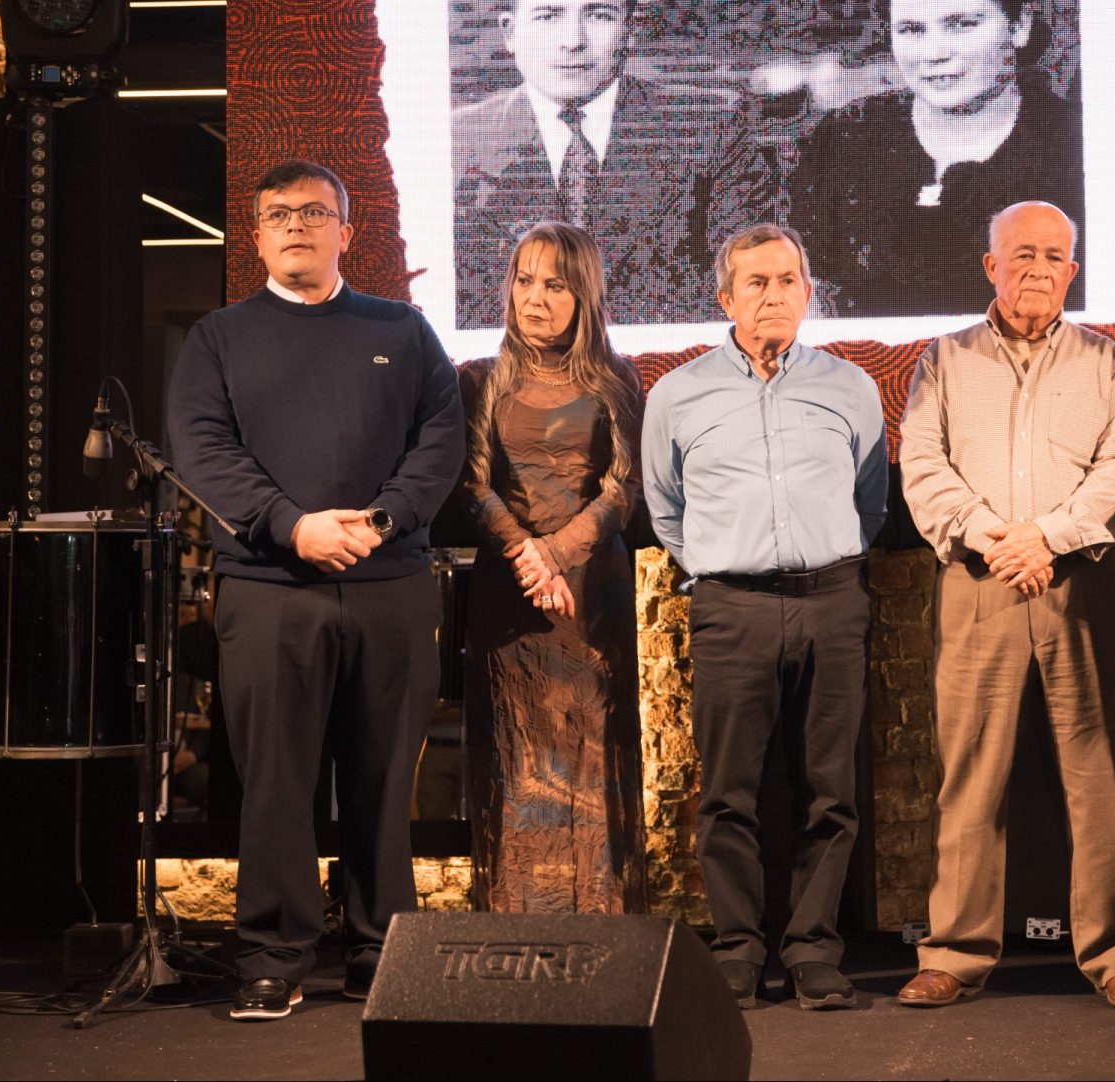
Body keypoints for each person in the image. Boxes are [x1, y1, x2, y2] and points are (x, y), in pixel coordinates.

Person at [167, 160, 466, 1020]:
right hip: (269, 590)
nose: (296, 224)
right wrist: (293, 526)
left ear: (348, 228)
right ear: (255, 235)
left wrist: (379, 520)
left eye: (314, 212)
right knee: (275, 782)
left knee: (382, 781)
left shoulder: (403, 329)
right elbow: (202, 450)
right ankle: (273, 956)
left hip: (391, 585)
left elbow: (440, 439)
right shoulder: (217, 339)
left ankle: (383, 955)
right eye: (278, 214)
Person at [896, 200, 1115, 1009]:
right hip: (980, 583)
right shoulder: (942, 360)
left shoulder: (1110, 363)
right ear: (991, 267)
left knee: (1102, 772)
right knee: (970, 775)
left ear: (1073, 271)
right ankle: (956, 953)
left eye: (1053, 256)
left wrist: (1044, 538)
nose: (1037, 269)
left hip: (1079, 584)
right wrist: (993, 537)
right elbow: (924, 467)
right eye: (1021, 256)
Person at [641, 223, 888, 1010]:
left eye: (788, 281)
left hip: (832, 603)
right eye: (757, 282)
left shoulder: (852, 387)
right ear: (726, 298)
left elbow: (870, 501)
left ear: (809, 294)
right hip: (732, 609)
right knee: (729, 794)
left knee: (831, 793)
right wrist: (728, 567)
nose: (774, 294)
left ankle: (814, 951)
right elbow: (666, 511)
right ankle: (741, 952)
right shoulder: (675, 395)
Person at [455, 222, 647, 914]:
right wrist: (526, 554)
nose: (535, 298)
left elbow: (625, 488)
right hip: (508, 595)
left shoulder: (614, 378)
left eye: (555, 285)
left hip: (591, 592)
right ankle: (516, 924)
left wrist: (559, 552)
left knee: (590, 751)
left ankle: (598, 925)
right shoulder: (479, 378)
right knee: (515, 756)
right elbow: (473, 486)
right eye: (525, 281)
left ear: (585, 295)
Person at [452, 0, 777, 327]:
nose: (573, 40)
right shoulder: (457, 144)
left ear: (630, 30)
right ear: (510, 33)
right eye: (548, 16)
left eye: (598, 15)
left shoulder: (708, 133)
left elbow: (749, 293)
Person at [791, 0, 1084, 317]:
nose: (933, 53)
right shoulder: (845, 139)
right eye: (911, 30)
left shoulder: (1071, 146)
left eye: (962, 25)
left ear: (1020, 26)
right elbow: (811, 300)